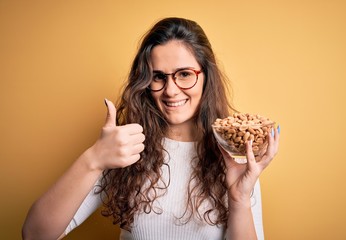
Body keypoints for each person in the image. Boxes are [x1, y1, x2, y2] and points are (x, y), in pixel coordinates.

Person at [22, 17, 280, 240]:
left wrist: (238, 199)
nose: (170, 90)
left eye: (184, 74)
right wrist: (94, 158)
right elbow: (35, 234)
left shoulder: (232, 155)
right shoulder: (126, 147)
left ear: (205, 76)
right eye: (158, 76)